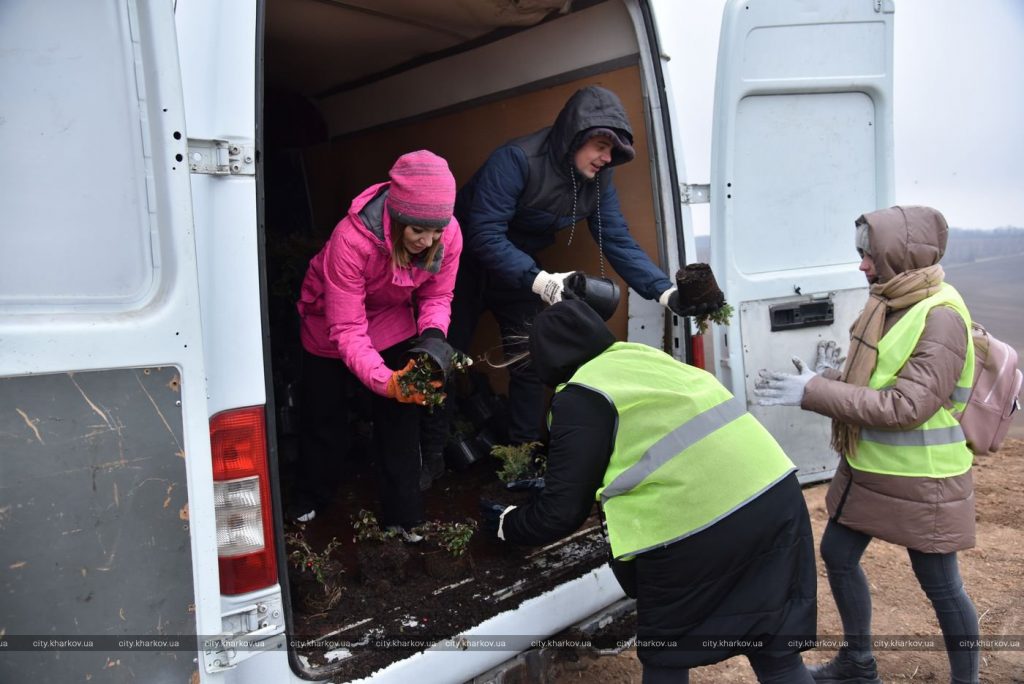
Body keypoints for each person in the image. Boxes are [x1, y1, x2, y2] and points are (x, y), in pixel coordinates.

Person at [482, 300, 817, 684]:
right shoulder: (640, 357)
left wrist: (508, 525)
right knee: (774, 648)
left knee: (667, 655)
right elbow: (653, 443)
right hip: (775, 498)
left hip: (699, 525)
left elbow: (561, 513)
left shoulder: (580, 395)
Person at [754, 206, 980, 684]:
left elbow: (905, 405)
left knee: (941, 586)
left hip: (925, 479)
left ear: (902, 254)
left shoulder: (941, 316)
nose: (862, 265)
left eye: (870, 255)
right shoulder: (889, 301)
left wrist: (815, 394)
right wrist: (824, 379)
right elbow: (877, 380)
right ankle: (859, 663)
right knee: (837, 554)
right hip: (870, 467)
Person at [449, 85, 696, 448]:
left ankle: (522, 452)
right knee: (447, 355)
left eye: (612, 151)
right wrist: (541, 281)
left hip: (520, 271)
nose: (606, 158)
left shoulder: (597, 180)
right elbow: (483, 234)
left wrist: (665, 291)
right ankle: (432, 453)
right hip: (463, 265)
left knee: (529, 358)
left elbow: (616, 237)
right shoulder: (517, 159)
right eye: (601, 146)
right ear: (575, 136)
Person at [288, 150, 462, 539]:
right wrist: (387, 381)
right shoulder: (351, 240)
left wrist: (432, 338)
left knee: (401, 418)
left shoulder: (448, 233)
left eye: (436, 230)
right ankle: (311, 497)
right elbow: (347, 327)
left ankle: (404, 515)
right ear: (398, 216)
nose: (429, 240)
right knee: (324, 418)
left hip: (389, 314)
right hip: (329, 324)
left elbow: (437, 297)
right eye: (419, 230)